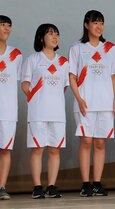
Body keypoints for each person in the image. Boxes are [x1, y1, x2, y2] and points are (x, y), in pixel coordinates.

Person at [69, 10, 115, 197]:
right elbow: (72, 77)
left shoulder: (110, 48)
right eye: (95, 23)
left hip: (105, 102)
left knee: (99, 142)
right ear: (86, 25)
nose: (99, 26)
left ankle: (97, 182)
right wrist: (79, 99)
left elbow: (114, 76)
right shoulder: (77, 48)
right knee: (86, 141)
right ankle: (85, 184)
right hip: (85, 103)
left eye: (101, 23)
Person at [21, 24, 69, 199]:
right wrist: (36, 97)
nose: (55, 37)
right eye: (50, 34)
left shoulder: (63, 62)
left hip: (57, 113)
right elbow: (25, 84)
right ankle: (37, 186)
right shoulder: (33, 60)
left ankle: (52, 185)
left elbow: (64, 87)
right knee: (38, 149)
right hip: (38, 113)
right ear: (41, 38)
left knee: (55, 150)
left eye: (57, 34)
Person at [0, 15, 22, 201]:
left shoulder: (16, 55)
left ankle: (1, 187)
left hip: (7, 110)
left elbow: (20, 82)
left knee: (5, 149)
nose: (6, 29)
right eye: (2, 25)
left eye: (9, 26)